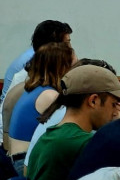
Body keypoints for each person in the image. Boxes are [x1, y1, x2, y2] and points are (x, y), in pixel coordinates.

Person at [26, 64, 120, 180]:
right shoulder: (80, 142)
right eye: (113, 104)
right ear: (93, 101)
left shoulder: (53, 135)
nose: (115, 112)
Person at [6, 42, 76, 173]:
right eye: (73, 66)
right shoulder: (50, 95)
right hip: (25, 163)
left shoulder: (34, 89)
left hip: (16, 159)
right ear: (61, 68)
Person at [0, 19, 73, 139]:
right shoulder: (31, 71)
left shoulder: (39, 68)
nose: (70, 49)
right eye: (66, 44)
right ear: (54, 50)